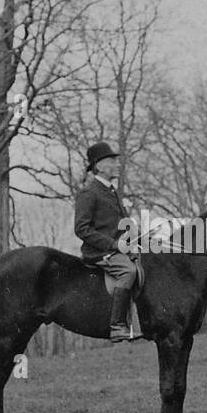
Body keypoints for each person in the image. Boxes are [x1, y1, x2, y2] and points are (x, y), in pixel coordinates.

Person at [74, 142, 138, 343]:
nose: (117, 164)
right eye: (112, 160)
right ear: (99, 166)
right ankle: (117, 325)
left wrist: (137, 238)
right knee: (129, 271)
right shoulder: (89, 193)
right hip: (100, 253)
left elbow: (122, 224)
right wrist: (113, 245)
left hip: (120, 249)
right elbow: (81, 229)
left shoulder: (111, 191)